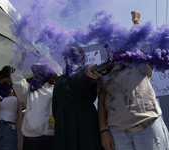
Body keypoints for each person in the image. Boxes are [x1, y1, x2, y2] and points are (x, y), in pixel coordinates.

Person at [98, 11, 169, 150]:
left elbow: (146, 41)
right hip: (117, 131)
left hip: (147, 123)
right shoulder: (104, 70)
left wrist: (136, 21)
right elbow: (101, 102)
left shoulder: (138, 60)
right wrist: (103, 131)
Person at [52, 44, 104, 150]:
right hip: (63, 125)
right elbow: (55, 106)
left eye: (71, 52)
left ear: (81, 54)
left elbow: (91, 76)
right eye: (65, 54)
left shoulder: (86, 70)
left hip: (85, 121)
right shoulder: (59, 79)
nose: (68, 56)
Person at [11, 52, 58, 150]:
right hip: (31, 138)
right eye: (38, 68)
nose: (40, 70)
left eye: (44, 67)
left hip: (51, 137)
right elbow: (16, 79)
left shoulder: (56, 88)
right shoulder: (28, 89)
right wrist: (23, 59)